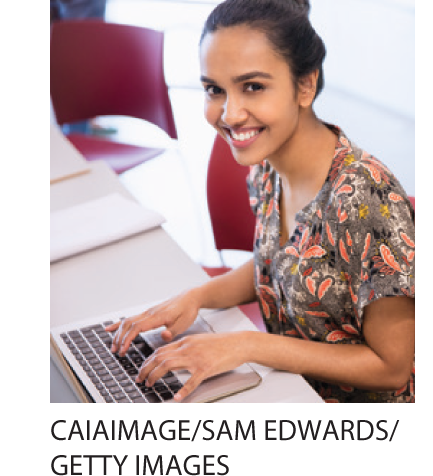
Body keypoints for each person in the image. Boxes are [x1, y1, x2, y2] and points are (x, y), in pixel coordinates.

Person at [105, 0, 415, 403]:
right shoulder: (267, 165)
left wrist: (247, 346)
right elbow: (280, 262)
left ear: (305, 85)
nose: (231, 114)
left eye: (253, 86)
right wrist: (196, 298)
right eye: (214, 89)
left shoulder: (366, 199)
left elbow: (392, 367)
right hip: (287, 389)